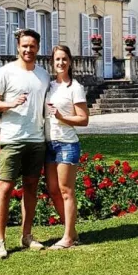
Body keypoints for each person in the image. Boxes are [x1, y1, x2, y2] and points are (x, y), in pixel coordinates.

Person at [0, 29, 50, 260]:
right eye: (24, 46)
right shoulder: (6, 72)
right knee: (5, 188)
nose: (28, 50)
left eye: (32, 46)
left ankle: (26, 236)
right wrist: (10, 103)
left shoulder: (43, 75)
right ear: (18, 47)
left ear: (38, 48)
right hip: (12, 139)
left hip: (36, 139)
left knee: (31, 187)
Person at [44, 45, 90, 249]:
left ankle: (68, 238)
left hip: (66, 143)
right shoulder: (49, 86)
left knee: (66, 191)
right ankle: (72, 232)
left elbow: (84, 119)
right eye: (57, 59)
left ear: (70, 62)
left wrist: (62, 117)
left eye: (64, 59)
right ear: (52, 62)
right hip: (48, 143)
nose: (60, 63)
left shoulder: (75, 87)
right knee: (53, 190)